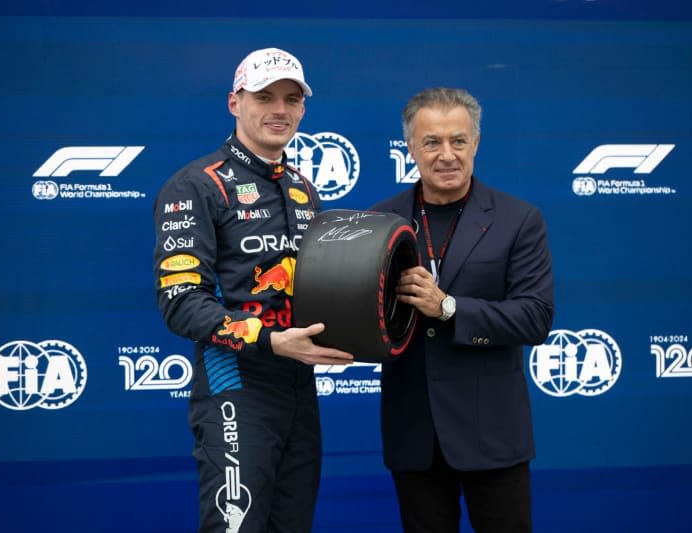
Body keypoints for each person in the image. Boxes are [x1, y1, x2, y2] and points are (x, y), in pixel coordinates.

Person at [153, 47, 354, 533]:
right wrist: (266, 340)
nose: (279, 109)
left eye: (291, 98)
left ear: (304, 109)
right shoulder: (196, 186)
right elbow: (181, 303)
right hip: (235, 385)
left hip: (299, 386)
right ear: (234, 103)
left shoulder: (305, 188)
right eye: (264, 96)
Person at [369, 87, 554, 532]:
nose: (446, 154)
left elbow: (535, 317)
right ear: (410, 147)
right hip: (414, 435)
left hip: (492, 433)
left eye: (458, 140)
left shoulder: (518, 219)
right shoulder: (377, 222)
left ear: (476, 143)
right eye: (431, 142)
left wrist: (447, 307)